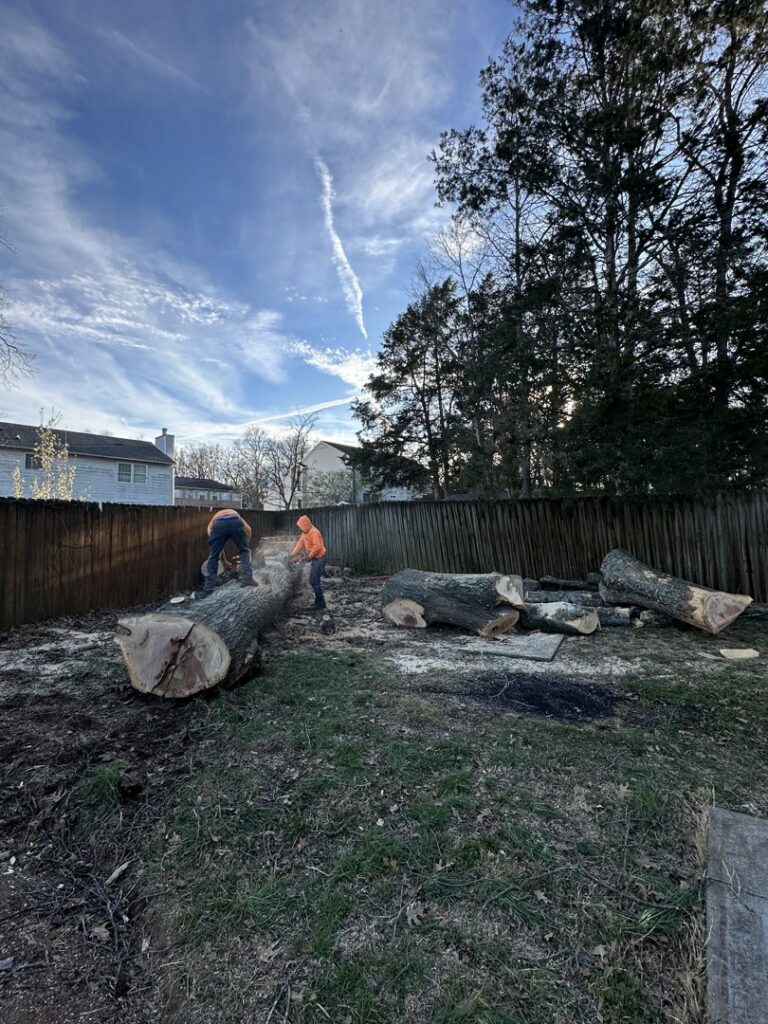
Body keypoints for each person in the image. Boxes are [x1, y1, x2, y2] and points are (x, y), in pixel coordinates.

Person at [204, 509, 254, 593]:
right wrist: (245, 545)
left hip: (219, 523)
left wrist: (214, 545)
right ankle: (247, 579)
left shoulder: (215, 517)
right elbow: (249, 529)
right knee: (245, 551)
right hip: (235, 520)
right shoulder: (236, 514)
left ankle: (208, 588)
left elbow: (209, 529)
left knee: (213, 556)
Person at [290, 515, 327, 609]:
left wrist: (308, 556)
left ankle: (320, 603)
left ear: (305, 524)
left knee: (314, 580)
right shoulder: (304, 533)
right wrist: (292, 554)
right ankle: (319, 601)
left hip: (319, 558)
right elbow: (300, 544)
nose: (300, 528)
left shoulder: (314, 532)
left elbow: (317, 547)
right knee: (313, 580)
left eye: (301, 526)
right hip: (315, 558)